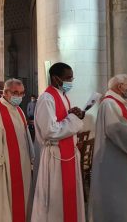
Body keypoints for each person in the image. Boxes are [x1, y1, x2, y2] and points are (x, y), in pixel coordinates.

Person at [31, 62, 86, 222]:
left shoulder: (62, 96)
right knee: (55, 201)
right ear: (55, 78)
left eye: (72, 77)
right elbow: (50, 130)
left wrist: (73, 114)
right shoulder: (47, 98)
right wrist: (74, 118)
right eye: (68, 78)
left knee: (68, 197)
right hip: (55, 157)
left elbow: (63, 120)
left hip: (67, 154)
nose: (71, 81)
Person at [0, 78, 34, 222]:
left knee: (23, 197)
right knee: (5, 201)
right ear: (5, 92)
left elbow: (26, 135)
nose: (19, 96)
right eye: (15, 93)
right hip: (4, 165)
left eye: (22, 93)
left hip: (22, 163)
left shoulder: (18, 110)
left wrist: (31, 154)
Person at [89, 74, 127, 222]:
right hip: (115, 163)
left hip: (121, 161)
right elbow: (121, 132)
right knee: (116, 203)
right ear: (120, 87)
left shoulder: (118, 103)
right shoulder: (110, 104)